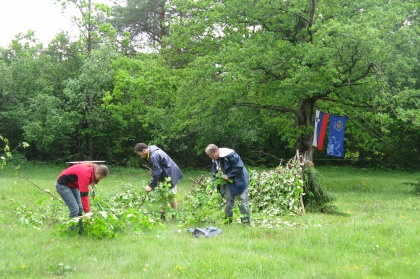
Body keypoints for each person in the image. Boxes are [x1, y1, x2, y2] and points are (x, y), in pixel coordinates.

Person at [56, 163, 109, 232]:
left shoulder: (92, 170)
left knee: (80, 208)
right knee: (74, 209)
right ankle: (71, 231)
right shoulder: (86, 174)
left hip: (73, 185)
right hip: (62, 185)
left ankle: (79, 228)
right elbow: (84, 195)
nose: (100, 179)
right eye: (100, 177)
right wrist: (87, 213)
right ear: (97, 172)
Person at [205, 144, 250, 225]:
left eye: (211, 155)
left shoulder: (230, 155)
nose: (211, 157)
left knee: (243, 201)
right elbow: (215, 174)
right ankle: (227, 223)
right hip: (228, 182)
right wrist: (213, 187)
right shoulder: (214, 159)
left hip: (240, 179)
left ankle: (246, 223)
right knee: (229, 201)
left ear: (216, 151)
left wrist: (228, 176)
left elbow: (239, 166)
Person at [135, 143, 183, 211]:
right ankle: (162, 214)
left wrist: (150, 186)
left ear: (144, 150)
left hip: (170, 174)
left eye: (140, 154)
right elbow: (157, 164)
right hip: (166, 172)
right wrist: (152, 169)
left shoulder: (153, 156)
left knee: (171, 196)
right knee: (163, 195)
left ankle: (174, 215)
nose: (140, 156)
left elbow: (157, 172)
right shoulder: (151, 149)